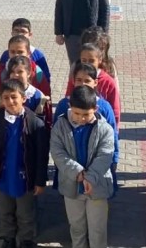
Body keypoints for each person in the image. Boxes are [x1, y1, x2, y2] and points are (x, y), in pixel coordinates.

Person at [0, 79, 49, 248]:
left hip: (25, 179)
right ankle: (8, 238)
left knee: (25, 213)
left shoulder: (35, 123)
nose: (10, 101)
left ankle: (26, 239)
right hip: (2, 177)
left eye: (14, 97)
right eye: (6, 98)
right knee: (4, 211)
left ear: (23, 98)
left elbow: (42, 156)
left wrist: (40, 181)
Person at [51, 86, 115, 248]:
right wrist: (77, 172)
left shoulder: (105, 129)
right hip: (71, 186)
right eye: (77, 113)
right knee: (77, 227)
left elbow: (105, 156)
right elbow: (58, 153)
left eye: (86, 114)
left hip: (97, 186)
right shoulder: (60, 126)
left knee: (97, 229)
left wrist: (90, 177)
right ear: (70, 107)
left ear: (95, 109)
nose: (81, 118)